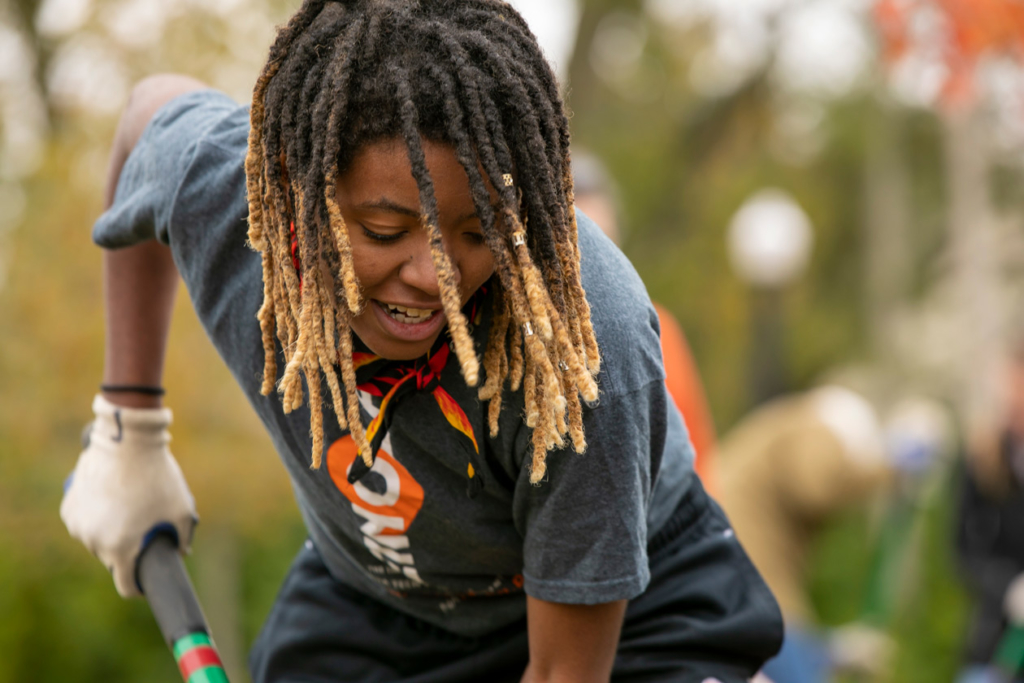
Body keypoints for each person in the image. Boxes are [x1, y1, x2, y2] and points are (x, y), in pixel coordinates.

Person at [59, 1, 782, 681]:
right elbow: (145, 116)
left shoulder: (582, 346)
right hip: (374, 602)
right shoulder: (219, 188)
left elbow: (564, 671)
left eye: (478, 233)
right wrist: (131, 426)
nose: (435, 276)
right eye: (384, 231)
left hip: (632, 613)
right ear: (298, 187)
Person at [571, 152, 719, 492]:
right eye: (581, 245)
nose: (595, 262)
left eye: (606, 242)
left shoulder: (659, 327)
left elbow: (700, 453)